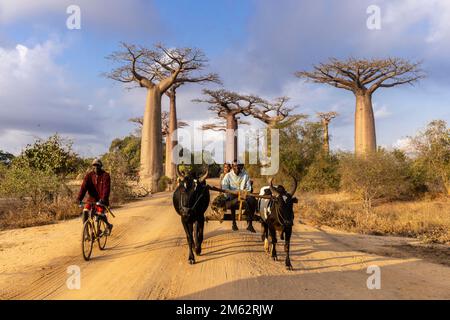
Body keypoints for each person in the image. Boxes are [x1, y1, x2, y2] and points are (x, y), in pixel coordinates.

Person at [77, 158, 113, 235]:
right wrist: (79, 199)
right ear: (92, 166)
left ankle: (108, 225)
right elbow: (83, 187)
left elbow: (106, 189)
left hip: (102, 199)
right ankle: (86, 233)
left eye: (97, 165)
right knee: (85, 211)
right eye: (94, 165)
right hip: (91, 199)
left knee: (100, 214)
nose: (96, 167)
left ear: (101, 166)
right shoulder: (89, 176)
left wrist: (103, 199)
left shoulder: (105, 175)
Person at [221, 160, 257, 233]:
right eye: (234, 166)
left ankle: (250, 224)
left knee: (253, 200)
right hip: (232, 197)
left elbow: (248, 188)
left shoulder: (245, 175)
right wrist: (234, 193)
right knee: (231, 197)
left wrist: (244, 192)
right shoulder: (228, 176)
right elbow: (225, 189)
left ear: (241, 167)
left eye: (238, 166)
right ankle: (234, 223)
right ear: (232, 167)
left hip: (244, 195)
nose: (236, 168)